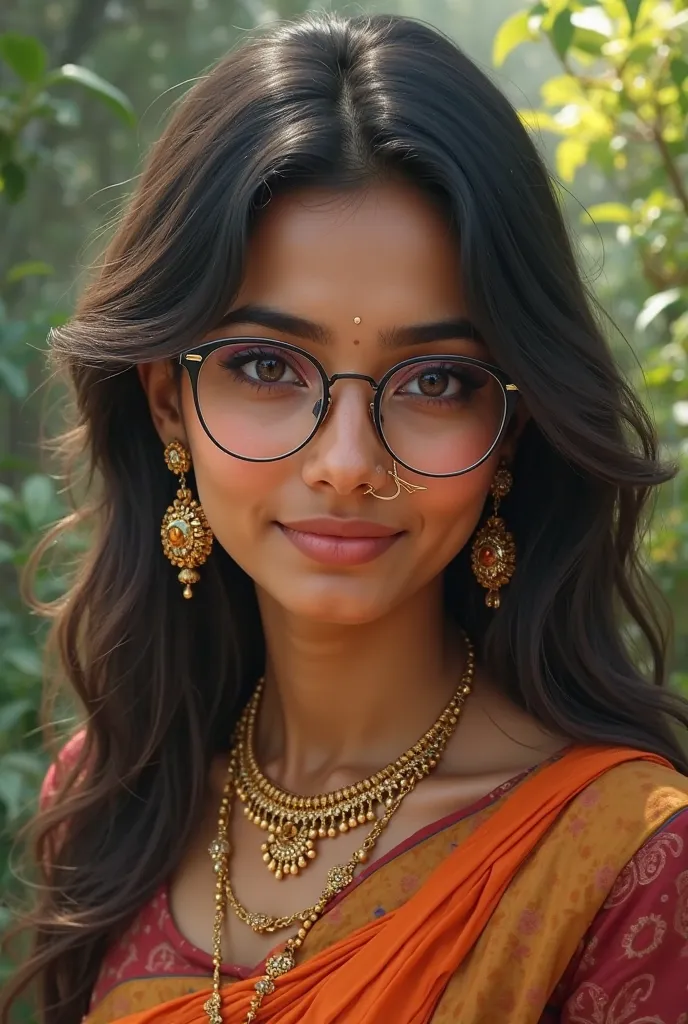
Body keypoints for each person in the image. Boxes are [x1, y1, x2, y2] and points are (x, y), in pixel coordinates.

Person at [3, 11, 688, 1024]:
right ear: (165, 402)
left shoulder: (625, 864)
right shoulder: (115, 799)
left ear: (513, 424)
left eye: (439, 380)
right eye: (267, 367)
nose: (346, 464)